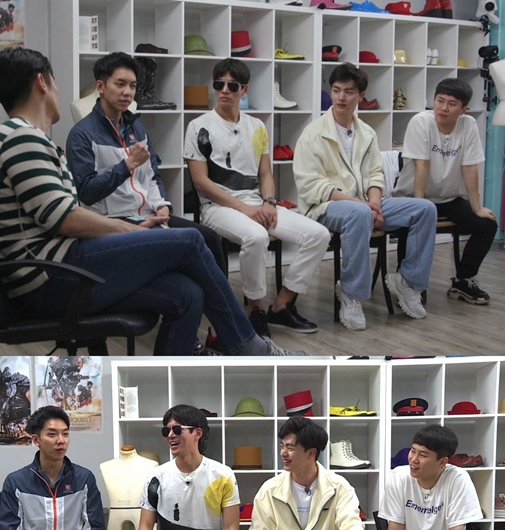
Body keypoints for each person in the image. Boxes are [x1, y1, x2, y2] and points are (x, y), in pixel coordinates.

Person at [0, 45, 285, 359]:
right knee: (191, 241)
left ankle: (172, 375)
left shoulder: (28, 136)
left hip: (62, 267)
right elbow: (66, 218)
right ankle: (250, 347)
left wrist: (157, 210)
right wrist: (133, 230)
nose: (127, 92)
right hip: (50, 278)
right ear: (42, 82)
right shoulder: (23, 137)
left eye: (132, 85)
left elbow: (148, 176)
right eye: (55, 81)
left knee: (188, 293)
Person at [185, 57, 331, 338]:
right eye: (219, 84)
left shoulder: (258, 127)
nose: (224, 90)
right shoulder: (198, 126)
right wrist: (244, 208)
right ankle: (256, 309)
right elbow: (201, 182)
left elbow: (265, 174)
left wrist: (269, 202)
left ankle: (282, 305)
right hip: (217, 207)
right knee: (256, 236)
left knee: (318, 235)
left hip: (255, 202)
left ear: (244, 90)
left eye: (232, 86)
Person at [293, 63, 437, 330]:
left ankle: (408, 282)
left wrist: (374, 203)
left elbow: (375, 175)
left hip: (365, 204)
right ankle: (351, 293)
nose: (341, 97)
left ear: (360, 95)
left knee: (425, 208)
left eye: (349, 92)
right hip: (325, 207)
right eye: (337, 90)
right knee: (359, 214)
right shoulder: (312, 134)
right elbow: (311, 186)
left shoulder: (367, 133)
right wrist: (363, 205)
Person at [65, 48, 225, 275]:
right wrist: (127, 165)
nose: (127, 92)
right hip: (114, 220)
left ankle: (218, 296)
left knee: (209, 238)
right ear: (100, 86)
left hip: (148, 214)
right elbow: (87, 193)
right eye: (120, 84)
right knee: (186, 247)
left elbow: (153, 177)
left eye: (133, 86)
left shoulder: (137, 128)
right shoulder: (82, 134)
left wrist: (162, 205)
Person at [393, 77, 497, 307]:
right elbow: (422, 166)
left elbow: (470, 168)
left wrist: (477, 207)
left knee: (486, 225)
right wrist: (419, 206)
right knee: (415, 222)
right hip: (414, 196)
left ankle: (463, 280)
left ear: (463, 109)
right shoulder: (421, 122)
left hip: (448, 197)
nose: (443, 108)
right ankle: (407, 281)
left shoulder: (468, 125)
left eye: (452, 104)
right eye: (440, 101)